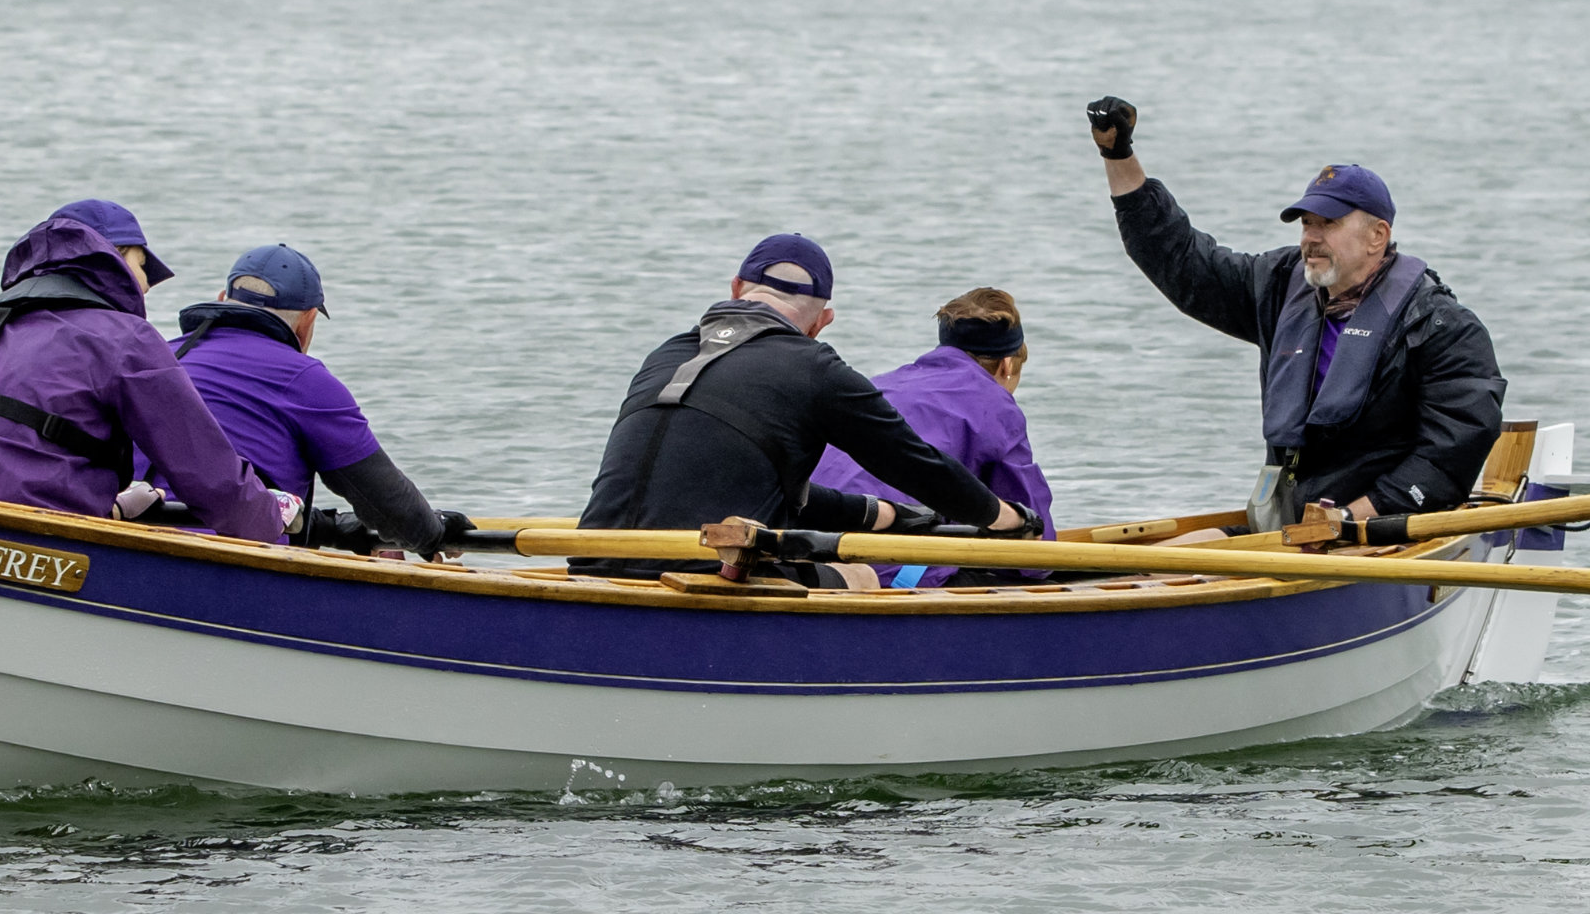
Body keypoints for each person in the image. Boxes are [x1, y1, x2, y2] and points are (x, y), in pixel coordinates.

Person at [1084, 96, 1507, 524]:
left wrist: (1350, 518)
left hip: (1385, 529)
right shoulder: (1277, 286)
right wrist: (1118, 154)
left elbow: (1449, 455)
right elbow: (1178, 259)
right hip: (1288, 528)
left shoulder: (1442, 328)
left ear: (1377, 236)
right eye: (1307, 223)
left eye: (1329, 223)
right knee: (1171, 556)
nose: (1311, 238)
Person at [576, 234, 1033, 585]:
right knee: (863, 577)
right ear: (821, 322)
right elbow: (918, 467)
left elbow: (765, 487)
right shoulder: (813, 367)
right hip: (701, 576)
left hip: (589, 565)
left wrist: (884, 514)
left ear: (736, 289)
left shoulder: (664, 355)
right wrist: (1006, 517)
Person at [0, 199, 283, 542]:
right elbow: (207, 471)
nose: (147, 285)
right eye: (141, 264)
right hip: (30, 543)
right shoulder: (126, 338)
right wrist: (272, 523)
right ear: (114, 256)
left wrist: (110, 508)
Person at [163, 242, 461, 557]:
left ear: (222, 300)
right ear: (308, 321)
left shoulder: (160, 356)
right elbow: (391, 508)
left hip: (128, 533)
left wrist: (330, 526)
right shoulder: (305, 381)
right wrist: (435, 532)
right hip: (232, 557)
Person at [803, 287, 1056, 587]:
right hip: (886, 569)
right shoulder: (995, 404)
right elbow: (1034, 541)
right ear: (1008, 365)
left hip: (805, 545)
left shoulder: (880, 384)